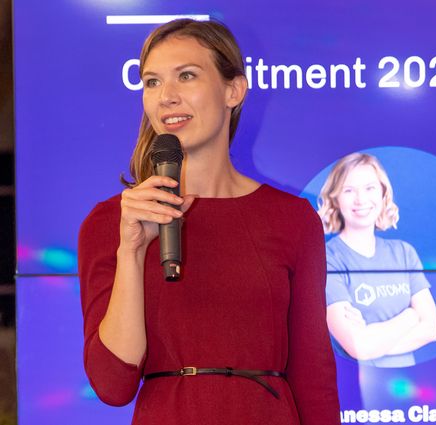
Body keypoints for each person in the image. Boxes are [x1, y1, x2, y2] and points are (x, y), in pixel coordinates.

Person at [78, 19, 340, 424]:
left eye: (186, 76)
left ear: (233, 90)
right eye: (151, 82)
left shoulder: (291, 219)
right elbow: (113, 385)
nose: (166, 97)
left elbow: (313, 373)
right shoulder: (112, 221)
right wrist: (131, 250)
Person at [318, 153, 436, 368]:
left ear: (384, 194)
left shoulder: (404, 253)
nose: (361, 199)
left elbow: (432, 329)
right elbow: (359, 347)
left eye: (370, 188)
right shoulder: (327, 259)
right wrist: (411, 317)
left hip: (414, 387)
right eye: (349, 190)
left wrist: (373, 342)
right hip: (359, 392)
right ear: (335, 199)